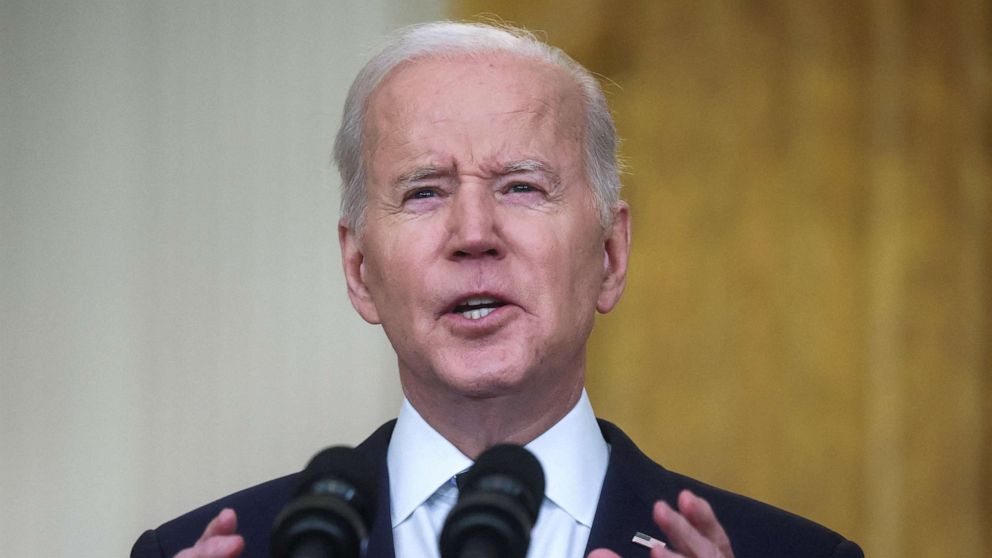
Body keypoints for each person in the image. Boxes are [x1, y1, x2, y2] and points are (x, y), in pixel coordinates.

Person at [131, 21, 863, 558]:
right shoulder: (203, 549)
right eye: (423, 192)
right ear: (360, 272)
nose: (473, 232)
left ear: (609, 254)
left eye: (520, 186)